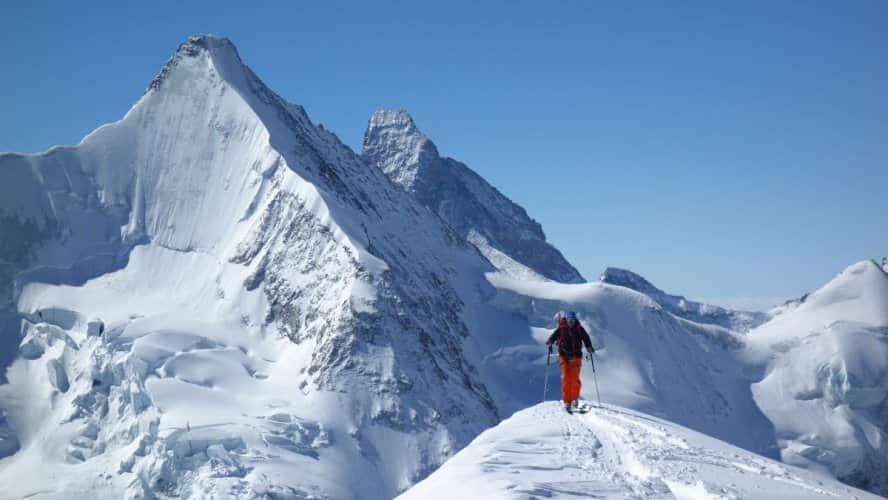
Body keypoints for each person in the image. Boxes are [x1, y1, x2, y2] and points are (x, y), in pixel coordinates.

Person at [546, 311, 595, 411]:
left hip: (576, 356)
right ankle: (567, 401)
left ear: (575, 320)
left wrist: (589, 347)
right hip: (564, 356)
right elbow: (554, 335)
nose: (571, 322)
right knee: (566, 378)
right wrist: (550, 341)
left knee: (575, 380)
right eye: (569, 320)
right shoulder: (562, 329)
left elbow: (586, 338)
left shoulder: (579, 329)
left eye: (572, 320)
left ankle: (574, 399)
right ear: (567, 320)